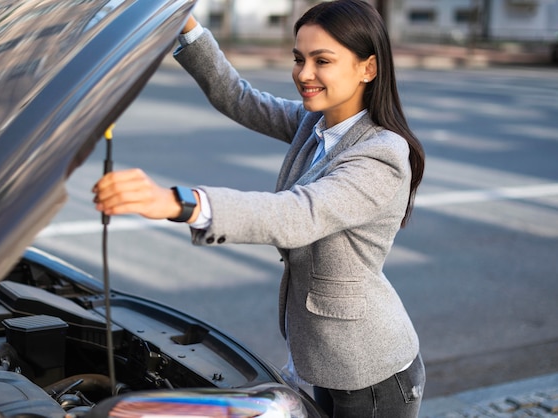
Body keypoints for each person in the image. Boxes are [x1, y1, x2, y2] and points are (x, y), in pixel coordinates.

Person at [93, 1, 426, 416]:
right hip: (326, 358)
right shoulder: (317, 124)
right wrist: (188, 25)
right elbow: (238, 98)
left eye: (322, 60)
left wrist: (179, 202)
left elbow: (299, 214)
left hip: (372, 374)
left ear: (368, 68)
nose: (304, 74)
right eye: (299, 58)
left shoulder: (381, 154)